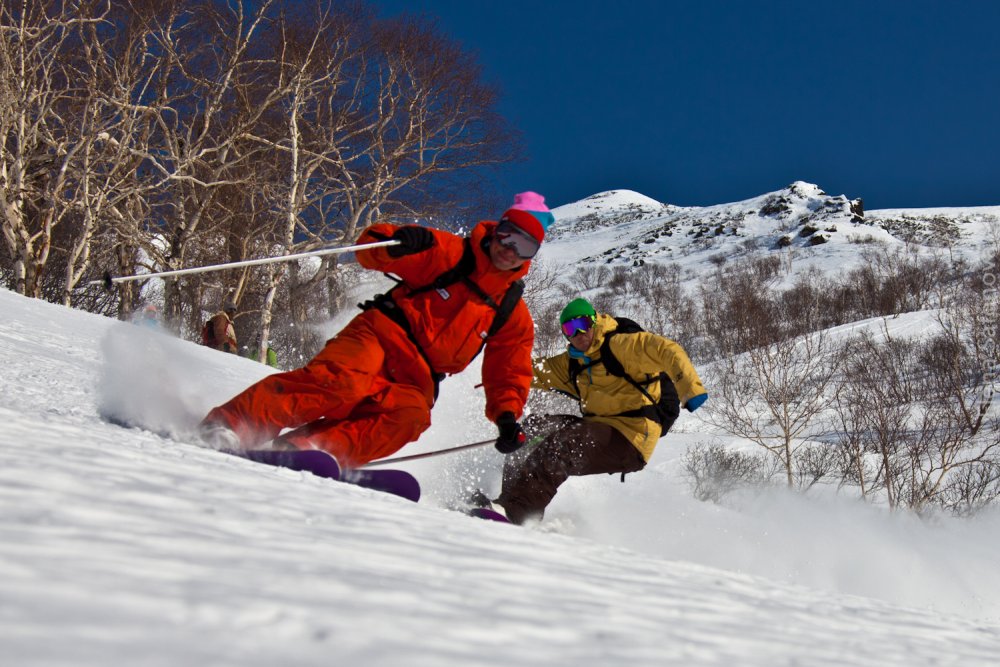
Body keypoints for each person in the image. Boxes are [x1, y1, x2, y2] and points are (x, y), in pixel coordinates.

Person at [198, 192, 555, 469]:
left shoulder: (511, 312)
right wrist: (399, 241)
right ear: (497, 230)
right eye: (508, 236)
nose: (510, 249)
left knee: (410, 418)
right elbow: (370, 249)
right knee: (342, 382)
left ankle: (307, 450)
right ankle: (233, 423)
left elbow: (509, 369)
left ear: (531, 255)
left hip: (420, 377)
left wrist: (506, 416)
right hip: (380, 335)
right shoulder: (450, 253)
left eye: (525, 246)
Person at [491, 298, 708, 525]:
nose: (580, 333)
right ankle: (505, 503)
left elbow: (667, 350)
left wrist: (690, 389)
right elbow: (532, 371)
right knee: (531, 430)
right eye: (571, 329)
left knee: (562, 446)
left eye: (584, 323)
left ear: (595, 320)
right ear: (565, 335)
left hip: (631, 436)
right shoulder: (572, 363)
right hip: (597, 427)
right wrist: (496, 370)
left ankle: (518, 513)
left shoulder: (622, 346)